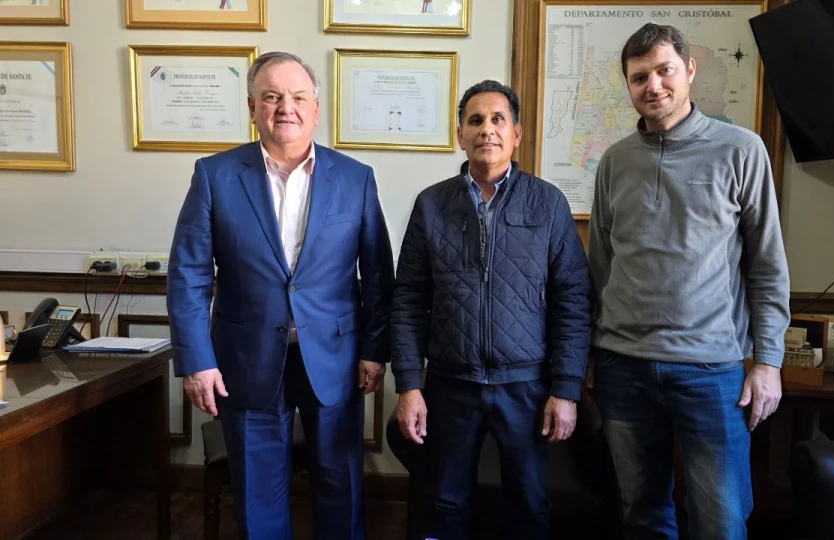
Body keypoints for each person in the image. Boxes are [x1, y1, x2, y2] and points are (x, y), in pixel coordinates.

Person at [167, 51, 394, 540]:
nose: (284, 108)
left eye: (297, 97)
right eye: (271, 97)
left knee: (340, 488)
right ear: (252, 108)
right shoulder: (215, 175)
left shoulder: (355, 178)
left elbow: (377, 274)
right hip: (245, 359)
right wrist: (195, 361)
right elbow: (188, 275)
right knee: (257, 496)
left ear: (316, 108)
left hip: (335, 358)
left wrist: (376, 350)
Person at [588, 23, 790, 540]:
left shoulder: (741, 150)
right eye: (639, 78)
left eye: (664, 70)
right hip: (623, 370)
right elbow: (601, 266)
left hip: (711, 372)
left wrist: (767, 362)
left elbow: (766, 266)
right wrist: (592, 354)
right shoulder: (613, 162)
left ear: (689, 69)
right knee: (642, 516)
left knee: (720, 522)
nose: (652, 85)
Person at [391, 80, 592, 540]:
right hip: (449, 385)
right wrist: (408, 385)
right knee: (444, 503)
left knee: (529, 503)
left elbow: (573, 300)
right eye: (475, 120)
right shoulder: (431, 204)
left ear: (516, 134)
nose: (487, 130)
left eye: (498, 119)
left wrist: (565, 388)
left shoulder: (547, 202)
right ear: (460, 134)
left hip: (526, 387)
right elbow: (407, 300)